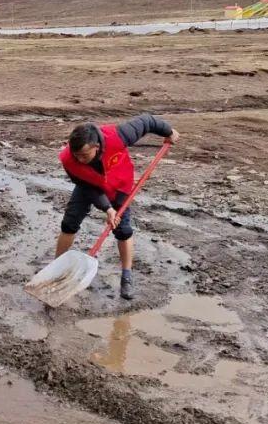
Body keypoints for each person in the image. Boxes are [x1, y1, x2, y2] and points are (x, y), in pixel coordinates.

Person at [56, 115, 179, 300]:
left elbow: (147, 122)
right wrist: (107, 209)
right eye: (77, 156)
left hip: (120, 184)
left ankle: (126, 276)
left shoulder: (118, 136)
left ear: (96, 147)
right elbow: (87, 187)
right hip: (89, 185)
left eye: (84, 155)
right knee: (69, 223)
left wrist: (169, 131)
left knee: (123, 230)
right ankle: (57, 268)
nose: (80, 160)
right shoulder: (68, 160)